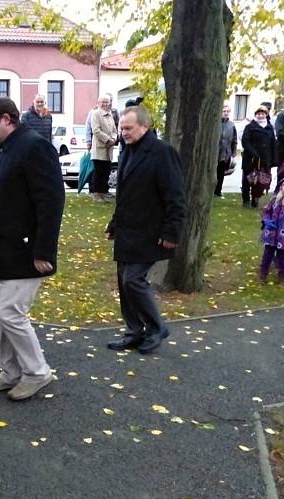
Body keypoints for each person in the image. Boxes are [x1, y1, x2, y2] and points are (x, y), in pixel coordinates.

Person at [0, 96, 64, 401]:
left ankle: (37, 372)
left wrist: (44, 251)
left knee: (10, 313)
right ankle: (11, 371)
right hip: (6, 248)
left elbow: (51, 201)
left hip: (27, 250)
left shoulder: (34, 146)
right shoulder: (6, 149)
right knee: (4, 314)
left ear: (7, 119)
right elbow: (2, 200)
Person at [104, 106, 186, 355]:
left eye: (128, 128)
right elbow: (125, 194)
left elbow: (176, 196)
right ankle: (133, 331)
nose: (124, 133)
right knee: (123, 281)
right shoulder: (127, 150)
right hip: (127, 230)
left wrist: (172, 232)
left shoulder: (162, 153)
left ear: (145, 126)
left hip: (151, 231)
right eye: (122, 128)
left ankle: (156, 327)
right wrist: (114, 223)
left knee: (133, 280)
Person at [240, 105, 275, 208]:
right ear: (256, 115)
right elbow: (245, 141)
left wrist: (273, 159)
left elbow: (273, 143)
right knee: (248, 179)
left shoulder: (270, 128)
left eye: (263, 114)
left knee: (261, 181)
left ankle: (255, 200)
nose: (261, 116)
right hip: (250, 158)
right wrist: (253, 152)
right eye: (259, 114)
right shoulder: (250, 127)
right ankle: (246, 200)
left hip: (265, 159)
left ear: (266, 115)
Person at [90, 94, 117, 202]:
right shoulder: (96, 114)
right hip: (100, 148)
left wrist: (114, 139)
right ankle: (96, 193)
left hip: (109, 148)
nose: (105, 104)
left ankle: (103, 192)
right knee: (99, 171)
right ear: (98, 103)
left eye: (107, 102)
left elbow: (114, 130)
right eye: (103, 102)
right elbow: (96, 130)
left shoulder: (110, 114)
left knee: (106, 171)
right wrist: (107, 139)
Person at [214, 105, 238, 197]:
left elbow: (234, 140)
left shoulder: (231, 125)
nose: (226, 113)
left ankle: (218, 191)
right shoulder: (215, 123)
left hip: (225, 153)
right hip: (215, 153)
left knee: (221, 173)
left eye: (228, 111)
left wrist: (233, 152)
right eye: (224, 111)